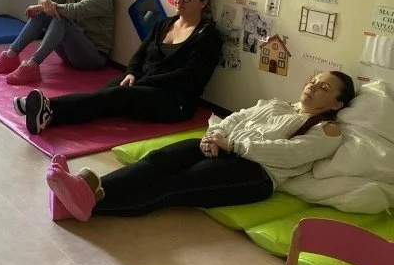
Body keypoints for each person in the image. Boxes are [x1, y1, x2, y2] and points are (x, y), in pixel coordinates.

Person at [45, 71, 356, 221]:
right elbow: (236, 117)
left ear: (338, 103)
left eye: (324, 87)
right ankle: (85, 193)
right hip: (225, 146)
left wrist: (231, 144)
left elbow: (288, 154)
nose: (313, 86)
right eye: (313, 80)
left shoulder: (328, 130)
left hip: (256, 174)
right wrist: (214, 136)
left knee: (171, 186)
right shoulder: (279, 104)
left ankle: (81, 205)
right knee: (159, 159)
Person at [15, 0, 222, 134]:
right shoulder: (165, 24)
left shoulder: (208, 36)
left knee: (114, 96)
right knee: (102, 95)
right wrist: (131, 73)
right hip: (141, 80)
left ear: (203, 3)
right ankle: (44, 110)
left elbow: (188, 76)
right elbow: (139, 55)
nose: (179, 0)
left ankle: (48, 109)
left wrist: (143, 82)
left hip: (173, 100)